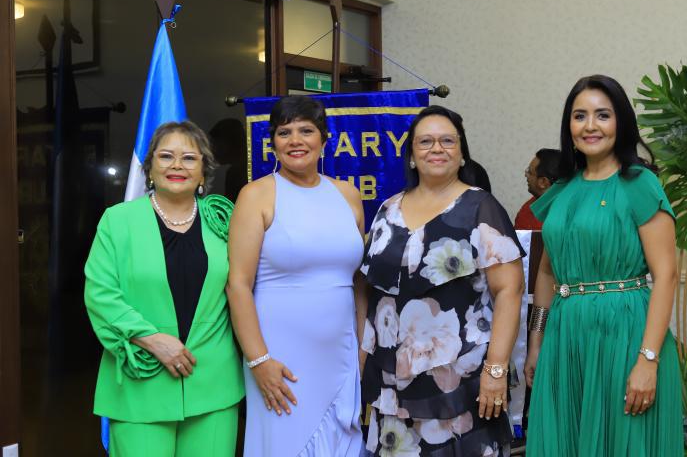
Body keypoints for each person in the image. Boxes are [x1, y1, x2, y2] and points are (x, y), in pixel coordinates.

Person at [524, 75, 683, 456]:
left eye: (602, 115)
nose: (590, 125)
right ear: (569, 126)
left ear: (621, 122)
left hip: (625, 333)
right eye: (579, 116)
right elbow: (546, 271)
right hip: (566, 337)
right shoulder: (562, 189)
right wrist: (536, 342)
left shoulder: (639, 183)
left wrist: (648, 360)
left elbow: (666, 275)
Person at [359, 105, 526, 456]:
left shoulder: (481, 208)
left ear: (462, 153)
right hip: (391, 384)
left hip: (461, 382)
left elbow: (509, 291)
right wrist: (362, 361)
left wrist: (496, 369)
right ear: (411, 156)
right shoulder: (387, 210)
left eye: (447, 141)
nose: (437, 148)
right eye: (426, 142)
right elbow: (369, 289)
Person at [84, 121, 244, 456]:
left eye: (189, 158)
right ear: (150, 168)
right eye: (166, 156)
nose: (177, 165)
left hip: (213, 384)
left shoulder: (223, 220)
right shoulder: (118, 220)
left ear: (203, 171)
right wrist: (151, 339)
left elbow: (247, 287)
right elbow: (101, 294)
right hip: (142, 381)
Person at [227, 96, 365, 456]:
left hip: (341, 354)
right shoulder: (256, 195)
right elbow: (238, 285)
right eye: (284, 132)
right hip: (279, 358)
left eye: (306, 130)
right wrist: (259, 361)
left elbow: (358, 282)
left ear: (324, 139)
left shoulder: (348, 195)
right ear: (273, 142)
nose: (295, 140)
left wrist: (363, 348)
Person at [514, 148, 560, 230]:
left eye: (530, 172)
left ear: (543, 182)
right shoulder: (529, 206)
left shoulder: (564, 215)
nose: (526, 175)